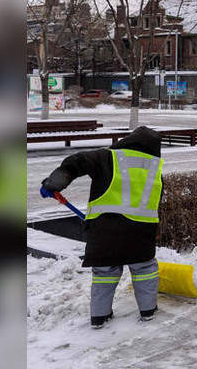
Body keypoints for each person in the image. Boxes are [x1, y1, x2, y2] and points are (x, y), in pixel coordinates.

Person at [39, 126, 164, 329]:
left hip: (106, 230)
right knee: (144, 270)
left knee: (105, 273)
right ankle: (148, 311)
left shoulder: (108, 157)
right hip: (141, 232)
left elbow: (79, 161)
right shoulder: (154, 168)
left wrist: (58, 179)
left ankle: (99, 317)